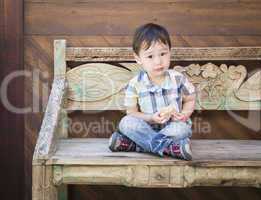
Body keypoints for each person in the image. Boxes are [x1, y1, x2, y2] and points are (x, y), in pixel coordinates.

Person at [108, 23, 196, 160]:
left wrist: (184, 115)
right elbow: (132, 113)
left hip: (171, 128)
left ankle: (136, 146)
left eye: (163, 54)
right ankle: (170, 148)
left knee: (183, 129)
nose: (158, 61)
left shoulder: (178, 79)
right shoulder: (135, 84)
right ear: (138, 58)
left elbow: (190, 99)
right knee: (126, 122)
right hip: (146, 128)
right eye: (150, 56)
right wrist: (151, 118)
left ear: (170, 52)